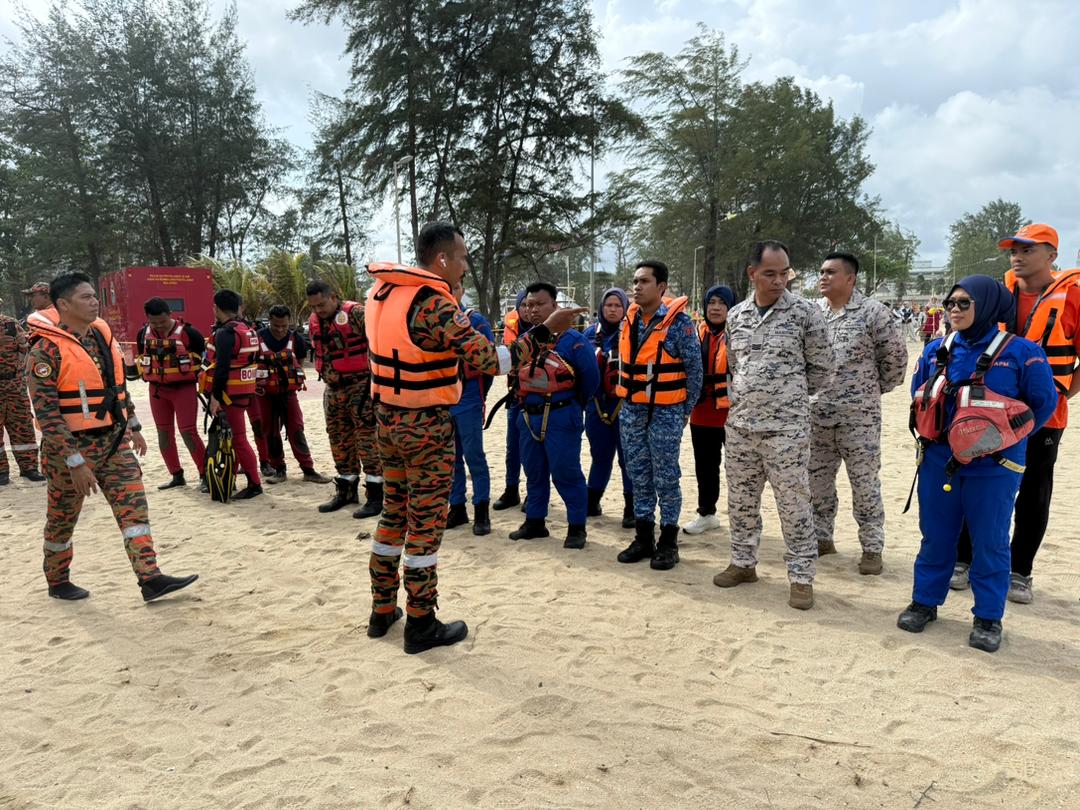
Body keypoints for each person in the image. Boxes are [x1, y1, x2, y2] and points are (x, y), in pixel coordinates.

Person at [363, 221, 584, 653]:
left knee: (392, 514)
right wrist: (546, 330)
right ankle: (422, 622)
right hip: (424, 425)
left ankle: (381, 609)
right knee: (424, 526)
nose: (465, 267)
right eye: (462, 257)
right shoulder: (432, 302)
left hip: (386, 421)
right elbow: (494, 360)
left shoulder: (381, 293)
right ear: (442, 258)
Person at [898, 276, 1057, 652]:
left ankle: (988, 616)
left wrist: (998, 441)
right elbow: (918, 391)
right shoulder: (937, 349)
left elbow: (1042, 405)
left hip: (995, 465)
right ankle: (925, 601)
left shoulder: (1023, 353)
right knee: (936, 534)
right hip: (938, 459)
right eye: (951, 302)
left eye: (964, 303)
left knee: (990, 541)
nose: (954, 309)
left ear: (985, 305)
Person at [25, 273, 198, 602]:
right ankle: (58, 579)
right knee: (62, 520)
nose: (95, 302)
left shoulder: (101, 338)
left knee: (134, 511)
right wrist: (75, 463)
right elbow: (48, 416)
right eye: (86, 298)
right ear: (63, 304)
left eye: (95, 296)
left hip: (113, 443)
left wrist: (132, 426)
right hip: (70, 453)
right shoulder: (43, 352)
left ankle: (150, 577)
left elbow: (116, 388)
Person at [952, 224, 1080, 603]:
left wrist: (1062, 395)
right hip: (989, 410)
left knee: (1034, 491)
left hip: (1044, 416)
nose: (1017, 256)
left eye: (1027, 249)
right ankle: (964, 559)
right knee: (976, 480)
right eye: (1014, 250)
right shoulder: (996, 293)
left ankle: (1020, 570)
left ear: (1051, 256)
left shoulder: (1072, 296)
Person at [712, 240, 834, 609]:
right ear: (753, 274)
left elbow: (822, 368)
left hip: (787, 430)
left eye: (784, 273)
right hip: (742, 427)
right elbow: (735, 363)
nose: (779, 280)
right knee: (741, 501)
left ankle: (801, 577)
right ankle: (743, 562)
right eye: (770, 274)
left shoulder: (805, 313)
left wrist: (786, 397)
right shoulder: (737, 315)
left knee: (794, 504)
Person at [809, 253, 907, 574]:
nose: (823, 277)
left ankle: (871, 547)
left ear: (850, 279)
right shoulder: (813, 313)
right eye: (821, 272)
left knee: (864, 483)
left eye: (830, 272)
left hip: (859, 419)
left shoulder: (873, 314)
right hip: (817, 416)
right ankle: (822, 538)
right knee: (817, 481)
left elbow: (894, 361)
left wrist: (868, 393)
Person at [614, 260, 702, 570]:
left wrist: (681, 413)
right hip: (633, 411)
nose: (637, 287)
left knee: (667, 477)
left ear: (661, 287)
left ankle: (668, 540)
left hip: (666, 412)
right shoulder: (629, 320)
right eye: (635, 281)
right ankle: (643, 536)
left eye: (644, 281)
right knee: (639, 475)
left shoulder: (680, 324)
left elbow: (695, 373)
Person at [509, 282, 599, 549]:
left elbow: (591, 381)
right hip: (528, 416)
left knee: (566, 471)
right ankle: (535, 521)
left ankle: (576, 526)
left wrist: (570, 405)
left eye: (539, 304)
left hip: (562, 415)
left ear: (554, 306)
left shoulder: (574, 342)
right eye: (527, 305)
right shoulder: (524, 344)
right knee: (533, 471)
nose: (532, 310)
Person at [306, 280, 383, 518]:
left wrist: (374, 384)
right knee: (338, 439)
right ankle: (346, 490)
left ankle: (376, 496)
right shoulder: (315, 321)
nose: (318, 310)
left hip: (360, 385)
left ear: (334, 296)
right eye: (314, 306)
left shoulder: (357, 313)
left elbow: (378, 343)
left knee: (367, 440)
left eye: (321, 304)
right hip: (333, 388)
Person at [125, 297, 207, 490]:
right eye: (154, 323)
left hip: (184, 389)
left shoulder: (189, 333)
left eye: (163, 322)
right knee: (163, 434)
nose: (159, 326)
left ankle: (205, 474)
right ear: (147, 318)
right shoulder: (142, 333)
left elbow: (204, 364)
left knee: (188, 432)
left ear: (170, 315)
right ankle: (176, 475)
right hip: (157, 391)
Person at [255, 305, 332, 485]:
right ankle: (279, 469)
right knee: (271, 432)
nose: (280, 330)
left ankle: (308, 470)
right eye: (276, 326)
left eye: (284, 326)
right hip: (265, 395)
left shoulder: (296, 338)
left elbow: (301, 361)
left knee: (296, 429)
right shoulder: (258, 338)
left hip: (289, 394)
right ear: (270, 322)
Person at [199, 289, 263, 499]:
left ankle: (254, 484)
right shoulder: (246, 329)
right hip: (244, 391)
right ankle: (231, 478)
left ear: (216, 307)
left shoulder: (225, 333)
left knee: (238, 440)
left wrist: (215, 397)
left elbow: (222, 367)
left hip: (229, 395)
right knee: (232, 438)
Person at [683, 285, 735, 535]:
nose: (715, 307)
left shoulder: (740, 334)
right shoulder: (694, 333)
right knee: (705, 467)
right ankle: (707, 514)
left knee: (738, 469)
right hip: (702, 414)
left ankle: (741, 517)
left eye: (722, 303)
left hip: (734, 415)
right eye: (711, 302)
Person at [446, 280, 494, 536]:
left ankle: (482, 511)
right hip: (444, 400)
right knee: (451, 458)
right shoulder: (433, 323)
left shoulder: (477, 322)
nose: (449, 292)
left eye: (453, 288)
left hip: (469, 399)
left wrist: (478, 396)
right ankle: (457, 507)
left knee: (474, 457)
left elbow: (490, 365)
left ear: (461, 290)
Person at [583, 288, 634, 529]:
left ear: (625, 308)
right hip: (596, 406)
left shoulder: (635, 333)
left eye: (617, 305)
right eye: (608, 305)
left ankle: (631, 508)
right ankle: (591, 502)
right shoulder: (589, 334)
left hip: (626, 405)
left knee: (628, 458)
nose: (612, 309)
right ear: (601, 308)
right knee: (600, 456)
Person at [0, 303, 44, 484]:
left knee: (22, 426)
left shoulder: (10, 324)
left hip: (14, 384)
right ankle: (1, 473)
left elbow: (25, 348)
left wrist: (18, 369)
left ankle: (29, 468)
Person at [492, 290, 529, 511]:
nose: (527, 309)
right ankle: (511, 489)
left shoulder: (546, 331)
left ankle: (533, 493)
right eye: (523, 304)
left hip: (538, 400)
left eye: (531, 304)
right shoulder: (510, 329)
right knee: (512, 447)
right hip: (514, 397)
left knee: (532, 450)